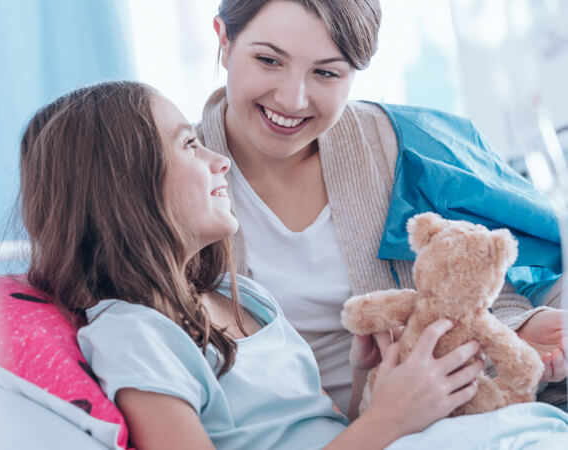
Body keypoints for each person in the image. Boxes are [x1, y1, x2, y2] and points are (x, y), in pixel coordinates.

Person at [16, 80, 494, 449]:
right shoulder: (135, 336)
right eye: (187, 145)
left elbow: (319, 434)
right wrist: (386, 420)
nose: (218, 160)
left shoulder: (242, 295)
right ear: (123, 188)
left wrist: (370, 383)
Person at [197, 0, 568, 415]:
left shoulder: (407, 149)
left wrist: (521, 327)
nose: (292, 98)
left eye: (325, 72)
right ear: (224, 40)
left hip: (450, 417)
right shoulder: (166, 181)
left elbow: (489, 286)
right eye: (268, 60)